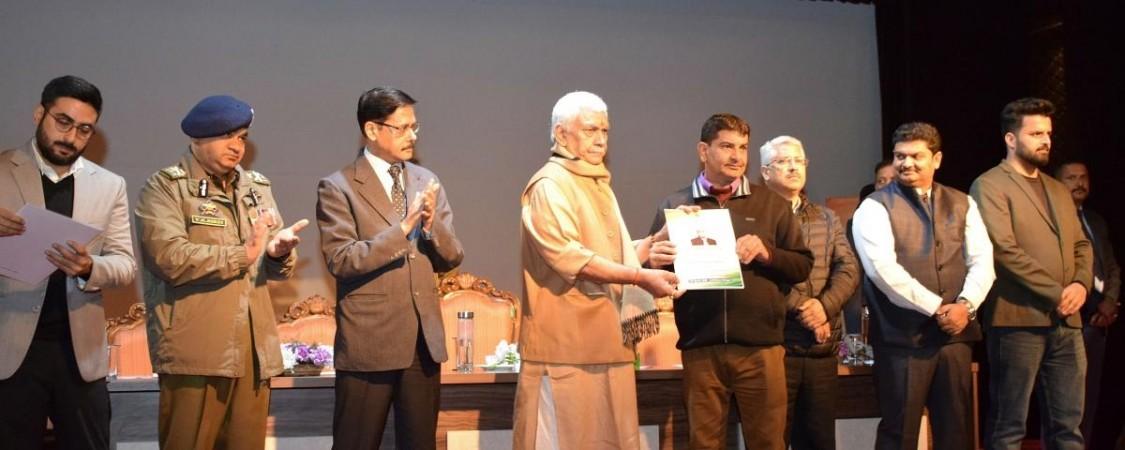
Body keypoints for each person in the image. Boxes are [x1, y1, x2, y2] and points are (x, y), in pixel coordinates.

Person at [136, 95, 307, 450]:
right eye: (226, 136)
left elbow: (272, 265)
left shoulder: (256, 187)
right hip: (196, 350)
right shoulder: (167, 187)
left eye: (242, 137)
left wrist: (277, 253)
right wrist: (242, 254)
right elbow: (168, 257)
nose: (237, 146)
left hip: (253, 350)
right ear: (198, 138)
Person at [513, 91, 679, 450]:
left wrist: (651, 244)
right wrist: (640, 276)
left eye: (605, 130)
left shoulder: (596, 182)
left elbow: (608, 254)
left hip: (608, 341)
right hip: (565, 347)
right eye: (590, 130)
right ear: (561, 134)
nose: (601, 140)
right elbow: (570, 257)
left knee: (612, 439)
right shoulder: (549, 184)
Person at [648, 113, 813, 450]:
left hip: (761, 349)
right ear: (703, 151)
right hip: (700, 349)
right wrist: (657, 258)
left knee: (768, 442)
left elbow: (802, 265)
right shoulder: (675, 205)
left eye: (743, 147)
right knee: (703, 444)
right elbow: (653, 268)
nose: (737, 156)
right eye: (726, 146)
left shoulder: (773, 205)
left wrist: (768, 253)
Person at [316, 86, 464, 450]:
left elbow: (453, 256)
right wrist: (402, 230)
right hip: (370, 342)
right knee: (356, 442)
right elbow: (342, 259)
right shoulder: (339, 186)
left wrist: (429, 227)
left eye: (415, 127)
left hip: (422, 343)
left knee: (420, 444)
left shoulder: (426, 180)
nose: (412, 135)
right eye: (402, 128)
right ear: (372, 129)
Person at [0, 75, 135, 450]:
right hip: (9, 351)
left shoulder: (110, 185)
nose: (71, 137)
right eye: (63, 122)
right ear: (39, 114)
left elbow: (125, 265)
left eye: (84, 130)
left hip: (80, 354)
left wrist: (90, 267)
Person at [853, 122, 995, 450]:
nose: (907, 163)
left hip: (954, 336)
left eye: (917, 155)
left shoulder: (962, 202)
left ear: (937, 159)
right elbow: (882, 271)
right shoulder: (874, 206)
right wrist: (937, 308)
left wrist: (966, 306)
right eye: (900, 156)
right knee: (899, 432)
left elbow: (983, 260)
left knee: (956, 431)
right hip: (901, 341)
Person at [971, 98, 1091, 450]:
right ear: (1011, 139)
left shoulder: (1057, 187)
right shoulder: (989, 185)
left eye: (1049, 133)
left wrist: (1081, 285)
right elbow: (1005, 251)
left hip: (1067, 323)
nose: (1046, 140)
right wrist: (1058, 292)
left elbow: (1082, 245)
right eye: (1036, 133)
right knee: (1009, 426)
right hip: (1017, 320)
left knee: (1068, 426)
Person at [759, 135, 859, 450]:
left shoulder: (825, 217)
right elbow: (761, 277)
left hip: (822, 350)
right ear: (764, 172)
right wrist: (807, 311)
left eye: (798, 161)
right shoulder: (756, 218)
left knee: (819, 440)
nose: (793, 168)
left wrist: (824, 307)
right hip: (778, 346)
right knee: (772, 439)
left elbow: (848, 268)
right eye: (783, 162)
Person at [1055, 160, 1119, 447]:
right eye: (1071, 178)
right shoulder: (1053, 220)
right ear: (1057, 183)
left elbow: (1111, 267)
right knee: (1067, 401)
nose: (1079, 182)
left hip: (1099, 323)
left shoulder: (1095, 220)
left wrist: (1110, 302)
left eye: (1083, 177)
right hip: (1070, 319)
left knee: (1091, 397)